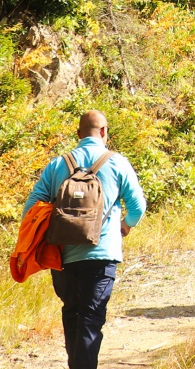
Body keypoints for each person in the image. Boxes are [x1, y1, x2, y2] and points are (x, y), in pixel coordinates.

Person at [23, 110, 147, 369]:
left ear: (78, 134)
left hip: (62, 255)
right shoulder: (117, 163)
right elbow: (137, 206)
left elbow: (31, 208)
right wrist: (125, 225)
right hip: (101, 253)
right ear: (104, 132)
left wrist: (42, 236)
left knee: (71, 311)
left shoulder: (58, 164)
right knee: (91, 319)